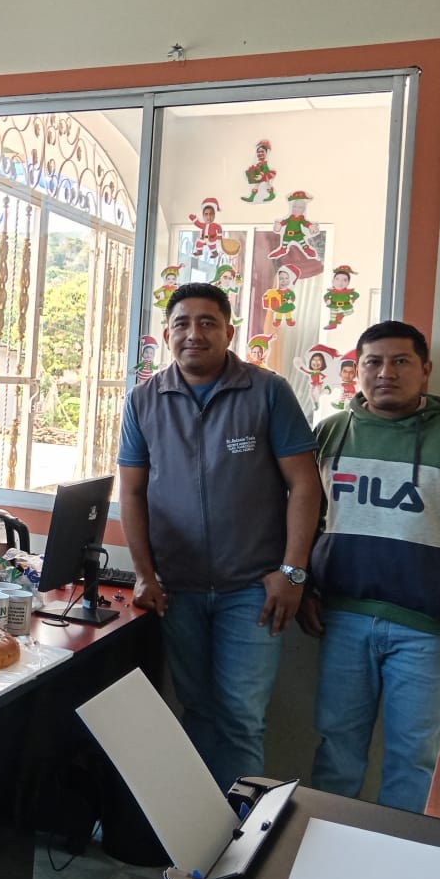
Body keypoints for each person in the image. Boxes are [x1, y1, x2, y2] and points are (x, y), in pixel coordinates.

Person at [117, 282, 321, 791]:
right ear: (167, 334)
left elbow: (304, 485)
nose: (194, 334)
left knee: (240, 717)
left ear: (229, 332)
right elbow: (133, 493)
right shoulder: (143, 400)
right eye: (182, 324)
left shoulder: (267, 391)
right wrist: (144, 574)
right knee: (196, 709)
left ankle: (239, 832)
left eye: (208, 322)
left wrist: (293, 572)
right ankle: (199, 826)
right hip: (178, 590)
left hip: (253, 590)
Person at [302, 321, 440, 812]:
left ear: (425, 370)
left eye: (400, 361)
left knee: (414, 759)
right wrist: (303, 588)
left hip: (427, 630)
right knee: (337, 746)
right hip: (342, 619)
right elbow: (304, 520)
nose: (385, 373)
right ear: (357, 370)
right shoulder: (329, 434)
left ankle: (398, 851)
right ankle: (326, 842)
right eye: (373, 362)